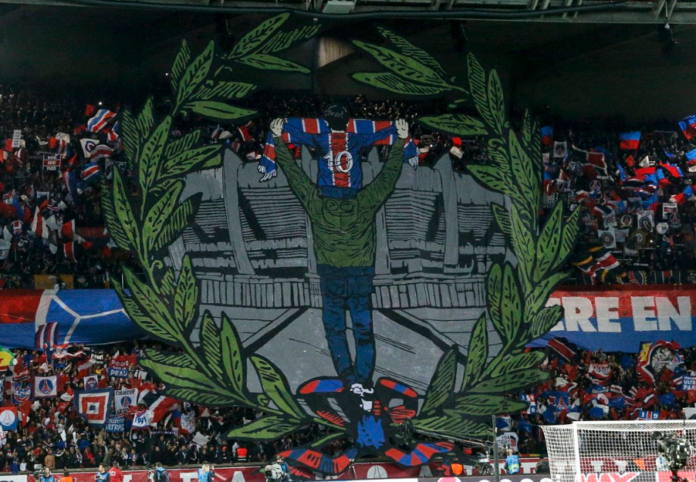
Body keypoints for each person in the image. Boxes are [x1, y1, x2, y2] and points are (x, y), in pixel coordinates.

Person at [269, 117, 410, 395]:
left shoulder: (316, 203)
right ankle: (363, 379)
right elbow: (389, 177)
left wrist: (277, 139)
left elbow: (294, 175)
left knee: (334, 330)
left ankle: (348, 378)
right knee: (363, 331)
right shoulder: (365, 202)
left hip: (330, 275)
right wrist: (401, 141)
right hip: (360, 276)